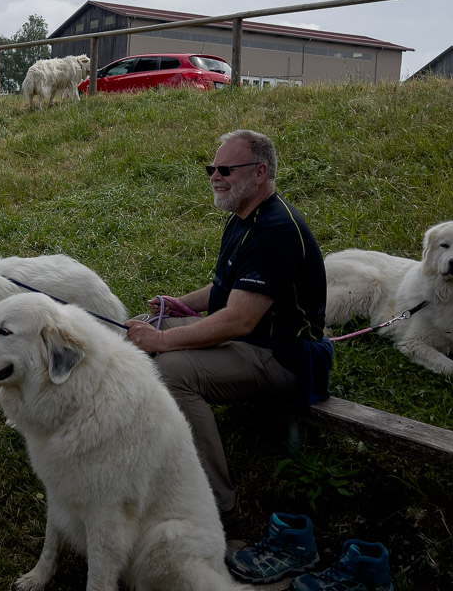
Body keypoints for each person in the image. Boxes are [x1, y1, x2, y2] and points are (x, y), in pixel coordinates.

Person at [125, 129, 333, 523]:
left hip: (281, 356)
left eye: (224, 169)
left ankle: (214, 504)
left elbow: (239, 319)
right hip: (249, 342)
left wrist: (164, 339)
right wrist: (180, 304)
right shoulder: (244, 217)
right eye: (211, 168)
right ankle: (146, 455)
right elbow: (226, 289)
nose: (214, 177)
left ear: (259, 172)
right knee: (138, 328)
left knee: (169, 371)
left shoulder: (276, 230)